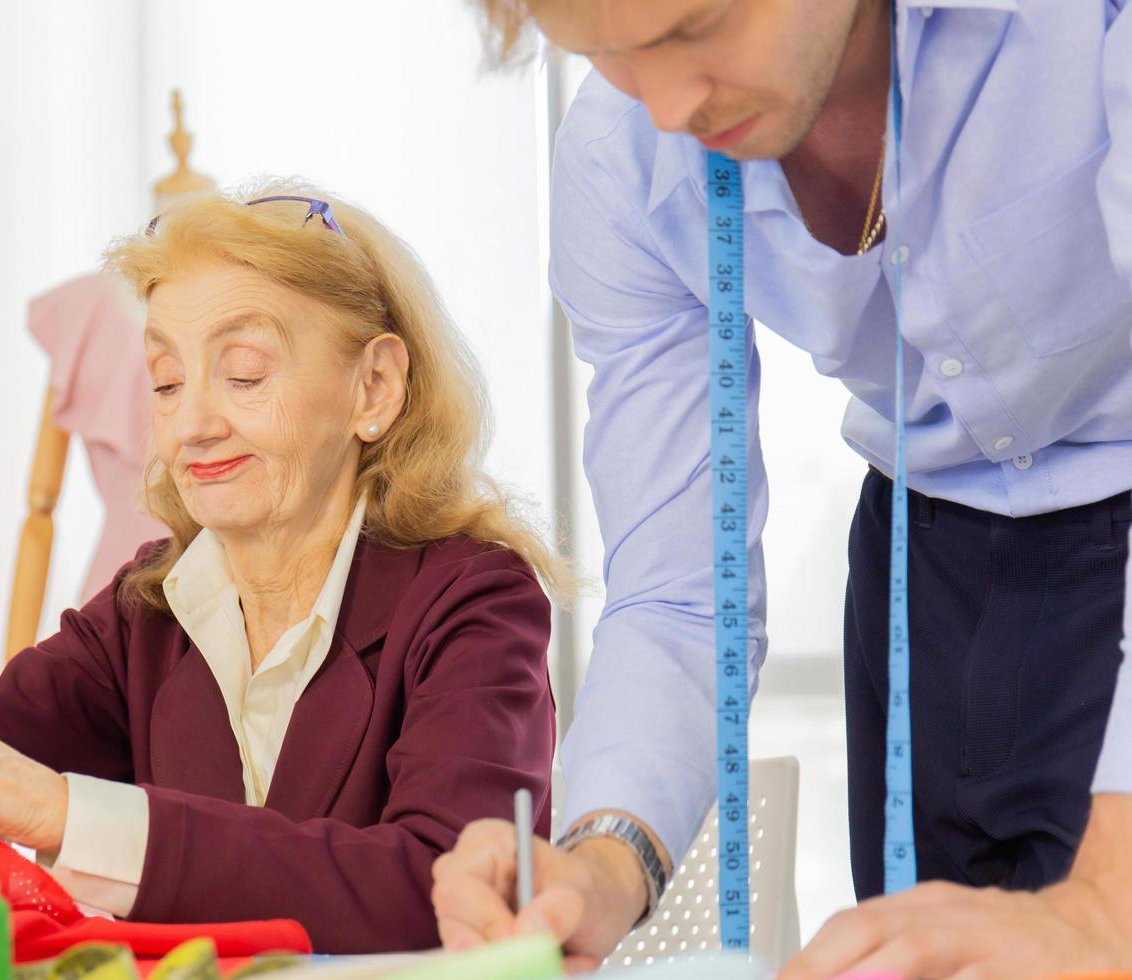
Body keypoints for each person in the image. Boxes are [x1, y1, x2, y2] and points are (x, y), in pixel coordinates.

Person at [431, 1, 1132, 976]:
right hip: (923, 565)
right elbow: (680, 592)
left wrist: (1109, 900)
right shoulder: (618, 156)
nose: (670, 106)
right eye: (605, 54)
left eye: (696, 27)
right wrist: (598, 862)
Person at [0, 182, 563, 953]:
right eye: (168, 383)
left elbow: (442, 889)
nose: (192, 426)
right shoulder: (149, 610)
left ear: (373, 388)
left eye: (243, 374)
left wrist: (68, 814)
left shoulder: (476, 602)